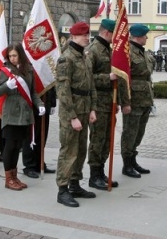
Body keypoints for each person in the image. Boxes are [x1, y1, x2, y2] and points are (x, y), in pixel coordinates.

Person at [55, 22, 97, 207]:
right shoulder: (67, 59)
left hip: (85, 109)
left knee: (80, 150)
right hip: (70, 112)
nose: (87, 37)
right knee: (69, 150)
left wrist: (92, 109)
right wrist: (72, 117)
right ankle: (62, 189)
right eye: (83, 35)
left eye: (88, 34)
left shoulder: (85, 57)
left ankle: (75, 184)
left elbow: (91, 86)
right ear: (73, 37)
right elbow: (63, 91)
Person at [0, 43, 45, 190]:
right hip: (11, 112)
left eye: (15, 55)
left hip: (25, 114)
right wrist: (6, 87)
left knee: (18, 146)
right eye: (10, 56)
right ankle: (8, 179)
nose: (12, 58)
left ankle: (15, 177)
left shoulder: (28, 69)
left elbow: (33, 92)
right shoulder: (6, 70)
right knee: (10, 146)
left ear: (21, 55)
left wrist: (39, 104)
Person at [86, 18, 120, 190]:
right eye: (114, 34)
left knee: (107, 140)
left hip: (109, 103)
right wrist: (108, 77)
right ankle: (94, 175)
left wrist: (118, 101)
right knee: (97, 139)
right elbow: (87, 77)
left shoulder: (109, 50)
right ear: (107, 32)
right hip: (98, 103)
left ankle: (101, 172)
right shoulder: (93, 50)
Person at [119, 24, 154, 178]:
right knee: (129, 132)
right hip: (133, 99)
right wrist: (125, 102)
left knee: (139, 132)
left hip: (145, 98)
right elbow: (123, 80)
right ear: (138, 36)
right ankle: (126, 164)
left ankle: (133, 160)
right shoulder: (127, 53)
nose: (147, 38)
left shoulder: (144, 53)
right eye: (145, 35)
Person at [22, 88, 56, 178]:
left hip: (45, 105)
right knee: (31, 137)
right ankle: (29, 166)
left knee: (42, 137)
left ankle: (39, 163)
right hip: (32, 106)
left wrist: (53, 103)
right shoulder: (29, 73)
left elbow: (50, 85)